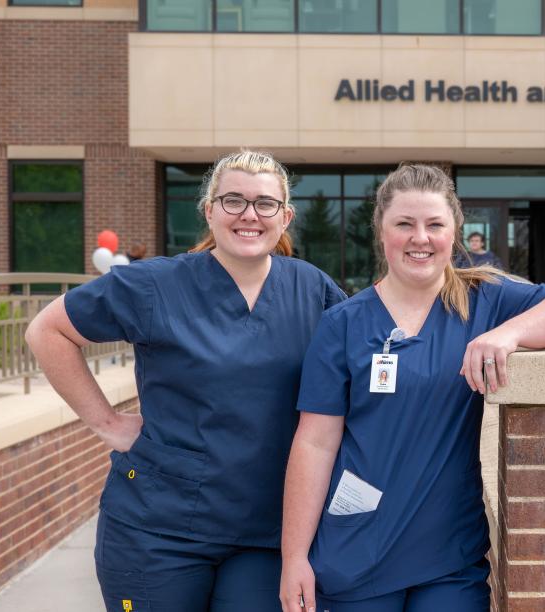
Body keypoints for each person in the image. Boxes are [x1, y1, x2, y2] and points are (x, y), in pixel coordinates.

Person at [25, 151, 347, 611]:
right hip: (157, 529)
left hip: (265, 530)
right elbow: (48, 331)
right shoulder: (153, 285)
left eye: (265, 203)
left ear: (286, 216)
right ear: (209, 210)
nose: (249, 215)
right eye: (233, 200)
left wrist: (491, 330)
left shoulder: (313, 289)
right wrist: (107, 423)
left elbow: (373, 347)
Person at [279, 164, 545, 612]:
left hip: (449, 554)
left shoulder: (486, 300)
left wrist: (508, 334)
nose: (420, 238)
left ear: (455, 232)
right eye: (404, 224)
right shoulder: (344, 324)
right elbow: (314, 443)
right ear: (382, 231)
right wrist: (294, 557)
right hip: (356, 550)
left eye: (434, 225)